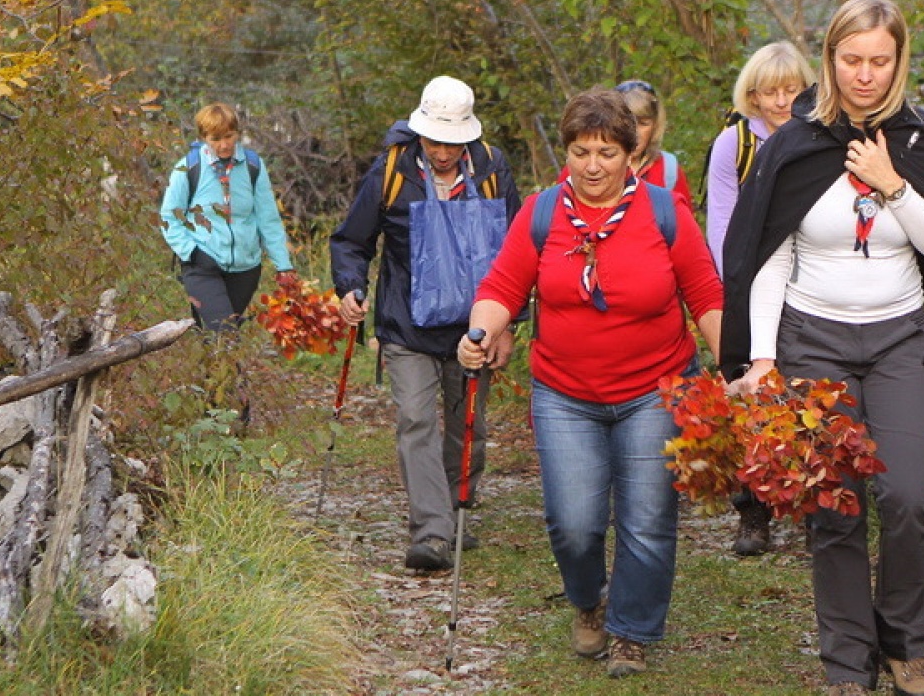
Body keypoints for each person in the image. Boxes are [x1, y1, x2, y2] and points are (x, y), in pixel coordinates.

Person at [719, 0, 924, 696]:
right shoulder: (796, 143)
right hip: (813, 342)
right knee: (834, 506)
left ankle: (905, 645)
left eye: (880, 61)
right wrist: (763, 357)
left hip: (901, 340)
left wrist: (892, 185)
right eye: (851, 60)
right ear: (830, 58)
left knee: (909, 497)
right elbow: (767, 255)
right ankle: (847, 663)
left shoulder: (919, 141)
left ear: (899, 62)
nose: (865, 75)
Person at [458, 89, 722, 679]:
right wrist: (481, 330)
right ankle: (588, 600)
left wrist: (738, 367)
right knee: (573, 523)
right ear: (567, 153)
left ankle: (631, 631)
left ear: (632, 153)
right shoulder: (542, 212)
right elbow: (502, 287)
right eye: (581, 152)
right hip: (564, 392)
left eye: (606, 152)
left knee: (647, 518)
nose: (593, 166)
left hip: (656, 389)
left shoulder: (665, 212)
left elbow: (706, 295)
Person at [330, 76, 521, 573]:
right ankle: (432, 532)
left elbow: (516, 250)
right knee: (416, 420)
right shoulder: (391, 171)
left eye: (452, 143)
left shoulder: (491, 168)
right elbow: (352, 241)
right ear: (420, 132)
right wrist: (350, 287)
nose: (442, 152)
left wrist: (508, 324)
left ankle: (455, 511)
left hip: (474, 326)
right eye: (435, 141)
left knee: (467, 426)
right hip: (406, 325)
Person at [704, 40, 814, 556]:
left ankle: (813, 507)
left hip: (809, 283)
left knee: (807, 396)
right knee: (749, 396)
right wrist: (737, 286)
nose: (782, 101)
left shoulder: (815, 136)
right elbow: (722, 221)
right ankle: (753, 510)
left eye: (791, 90)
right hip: (747, 284)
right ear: (753, 95)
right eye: (772, 92)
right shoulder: (734, 144)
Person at [160, 102, 295, 334]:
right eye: (215, 139)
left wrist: (284, 266)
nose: (224, 145)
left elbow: (268, 219)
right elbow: (169, 217)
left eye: (229, 136)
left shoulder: (253, 166)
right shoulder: (189, 168)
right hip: (202, 266)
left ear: (238, 133)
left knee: (217, 339)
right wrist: (193, 253)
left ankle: (207, 358)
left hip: (245, 268)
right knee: (225, 333)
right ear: (203, 137)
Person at [557, 79, 692, 205]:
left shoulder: (668, 171)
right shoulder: (579, 170)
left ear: (655, 126)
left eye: (643, 123)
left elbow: (682, 217)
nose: (635, 131)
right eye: (627, 124)